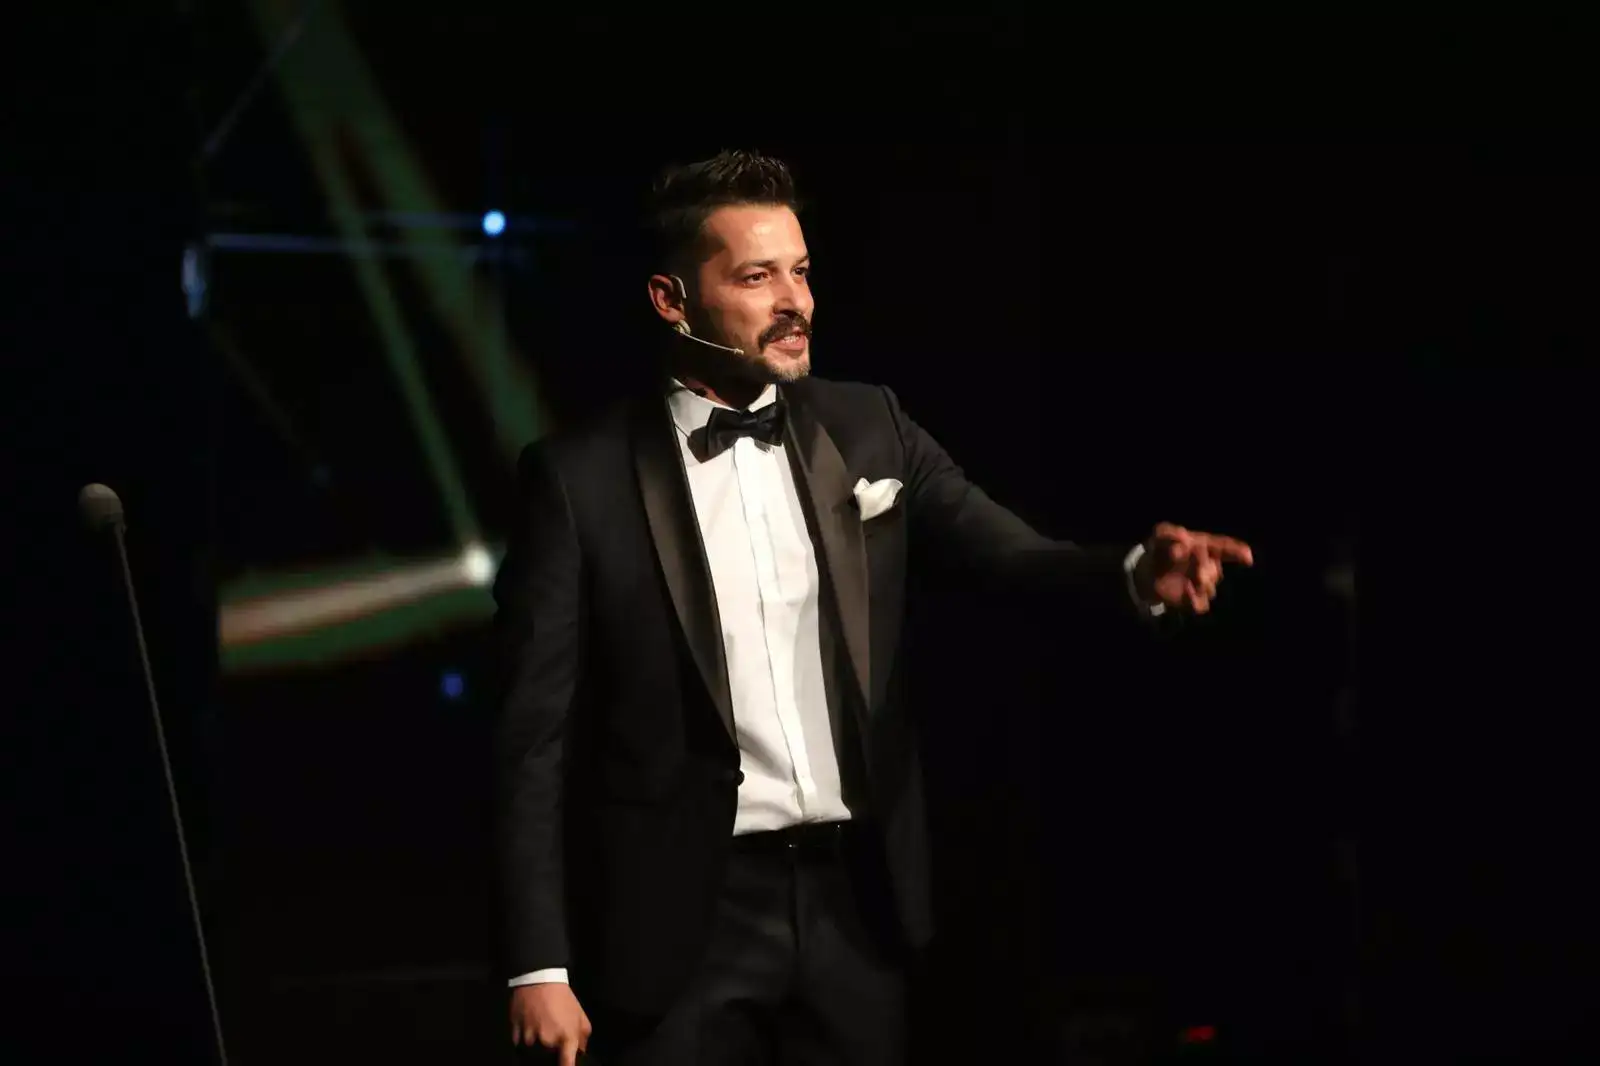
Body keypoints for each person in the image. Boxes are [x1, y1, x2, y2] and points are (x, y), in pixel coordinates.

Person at [493, 149, 1253, 1065]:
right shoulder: (579, 480)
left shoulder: (869, 426)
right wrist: (538, 964)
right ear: (672, 300)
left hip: (854, 908)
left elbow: (1012, 557)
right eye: (757, 277)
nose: (796, 301)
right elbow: (531, 740)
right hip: (679, 920)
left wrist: (1131, 573)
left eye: (802, 271)